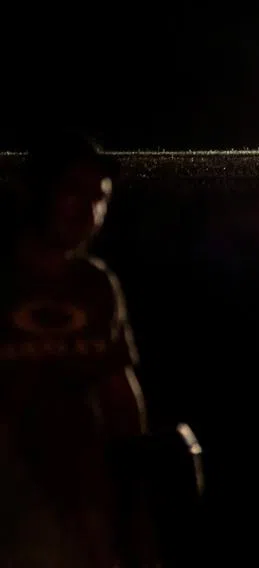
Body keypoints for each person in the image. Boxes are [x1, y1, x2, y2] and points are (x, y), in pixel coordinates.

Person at [0, 131, 158, 567]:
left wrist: (135, 494)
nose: (89, 210)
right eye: (74, 193)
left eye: (99, 197)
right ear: (36, 190)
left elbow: (118, 391)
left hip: (84, 504)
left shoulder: (95, 285)